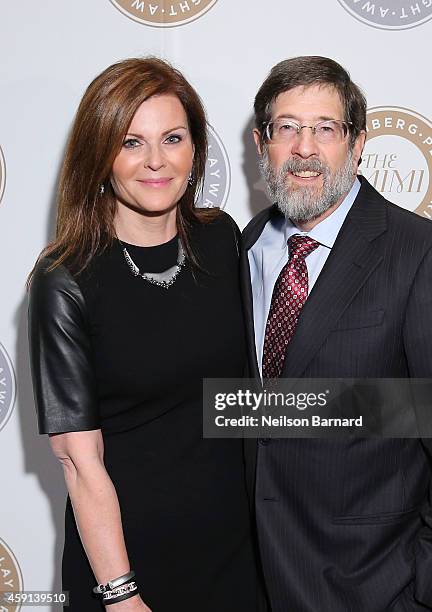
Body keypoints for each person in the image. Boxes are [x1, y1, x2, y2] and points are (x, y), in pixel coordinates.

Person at [28, 57, 260, 611]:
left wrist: (398, 410)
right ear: (100, 154)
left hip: (237, 553)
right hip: (129, 565)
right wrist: (121, 596)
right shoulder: (66, 279)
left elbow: (241, 400)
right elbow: (79, 464)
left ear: (195, 150)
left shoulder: (221, 238)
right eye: (131, 142)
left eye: (173, 138)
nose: (156, 161)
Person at [242, 56, 432, 611]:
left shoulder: (421, 254)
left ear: (358, 144)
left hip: (376, 588)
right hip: (253, 580)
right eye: (287, 128)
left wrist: (428, 590)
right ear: (263, 143)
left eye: (325, 129)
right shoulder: (243, 249)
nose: (304, 148)